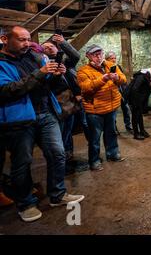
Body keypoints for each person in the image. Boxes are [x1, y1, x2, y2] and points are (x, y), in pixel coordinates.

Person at [0, 26, 84, 222]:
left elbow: (45, 84)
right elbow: (7, 91)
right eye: (21, 40)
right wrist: (40, 73)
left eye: (29, 39)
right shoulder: (2, 63)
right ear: (5, 39)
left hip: (46, 113)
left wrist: (56, 76)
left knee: (57, 153)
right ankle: (26, 204)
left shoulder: (31, 57)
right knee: (22, 163)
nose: (27, 43)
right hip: (20, 119)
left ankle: (57, 194)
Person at [77, 45, 127, 171]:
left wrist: (117, 78)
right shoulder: (83, 71)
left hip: (111, 107)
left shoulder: (110, 65)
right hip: (95, 110)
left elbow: (123, 79)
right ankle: (94, 161)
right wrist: (103, 78)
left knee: (111, 133)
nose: (99, 57)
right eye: (95, 54)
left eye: (100, 53)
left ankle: (113, 154)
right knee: (94, 138)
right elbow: (86, 88)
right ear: (88, 56)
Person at [41, 34, 82, 162]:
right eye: (46, 47)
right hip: (58, 104)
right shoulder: (43, 66)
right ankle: (61, 157)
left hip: (71, 102)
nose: (50, 48)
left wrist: (63, 42)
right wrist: (56, 75)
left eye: (52, 46)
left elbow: (76, 56)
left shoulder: (65, 62)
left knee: (69, 131)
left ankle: (68, 154)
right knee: (62, 132)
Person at [127, 66, 151, 140]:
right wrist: (136, 102)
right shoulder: (142, 76)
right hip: (135, 98)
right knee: (135, 115)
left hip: (141, 99)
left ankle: (142, 130)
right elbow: (135, 88)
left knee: (139, 115)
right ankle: (136, 133)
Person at [105, 51, 133, 133]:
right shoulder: (105, 68)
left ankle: (128, 125)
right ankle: (114, 128)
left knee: (126, 109)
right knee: (114, 113)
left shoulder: (118, 67)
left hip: (121, 92)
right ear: (107, 59)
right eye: (111, 58)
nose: (114, 60)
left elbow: (123, 79)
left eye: (114, 58)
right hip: (112, 93)